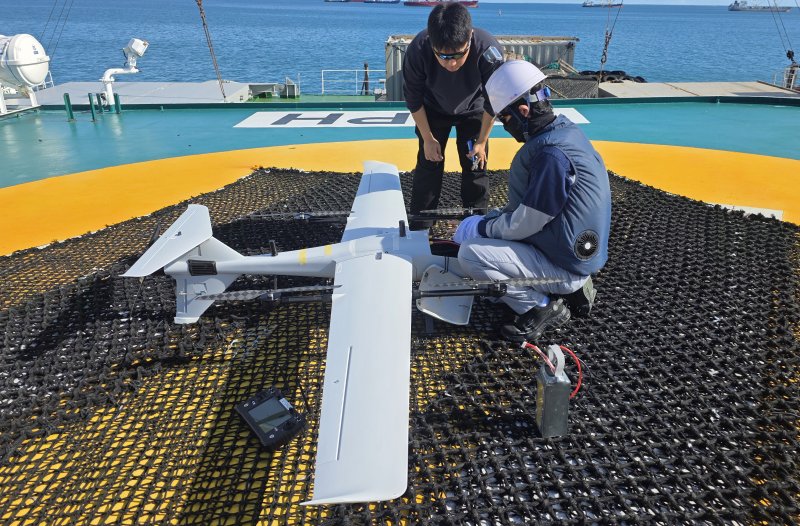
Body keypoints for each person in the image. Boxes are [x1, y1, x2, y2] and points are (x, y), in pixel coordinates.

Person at [453, 60, 612, 343]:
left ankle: (540, 307)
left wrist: (481, 229)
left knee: (470, 254)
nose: (505, 126)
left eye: (505, 119)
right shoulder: (566, 134)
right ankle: (564, 287)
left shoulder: (550, 155)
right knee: (492, 232)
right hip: (575, 257)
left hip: (566, 267)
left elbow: (525, 222)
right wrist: (493, 221)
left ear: (523, 111)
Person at [402, 2, 504, 230]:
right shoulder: (418, 49)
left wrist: (481, 141)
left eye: (459, 54)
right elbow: (413, 99)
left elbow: (494, 101)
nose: (453, 63)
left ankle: (476, 223)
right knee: (429, 164)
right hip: (433, 108)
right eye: (444, 57)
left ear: (470, 36)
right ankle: (421, 224)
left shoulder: (488, 49)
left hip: (474, 109)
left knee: (476, 165)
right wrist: (428, 139)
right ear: (431, 42)